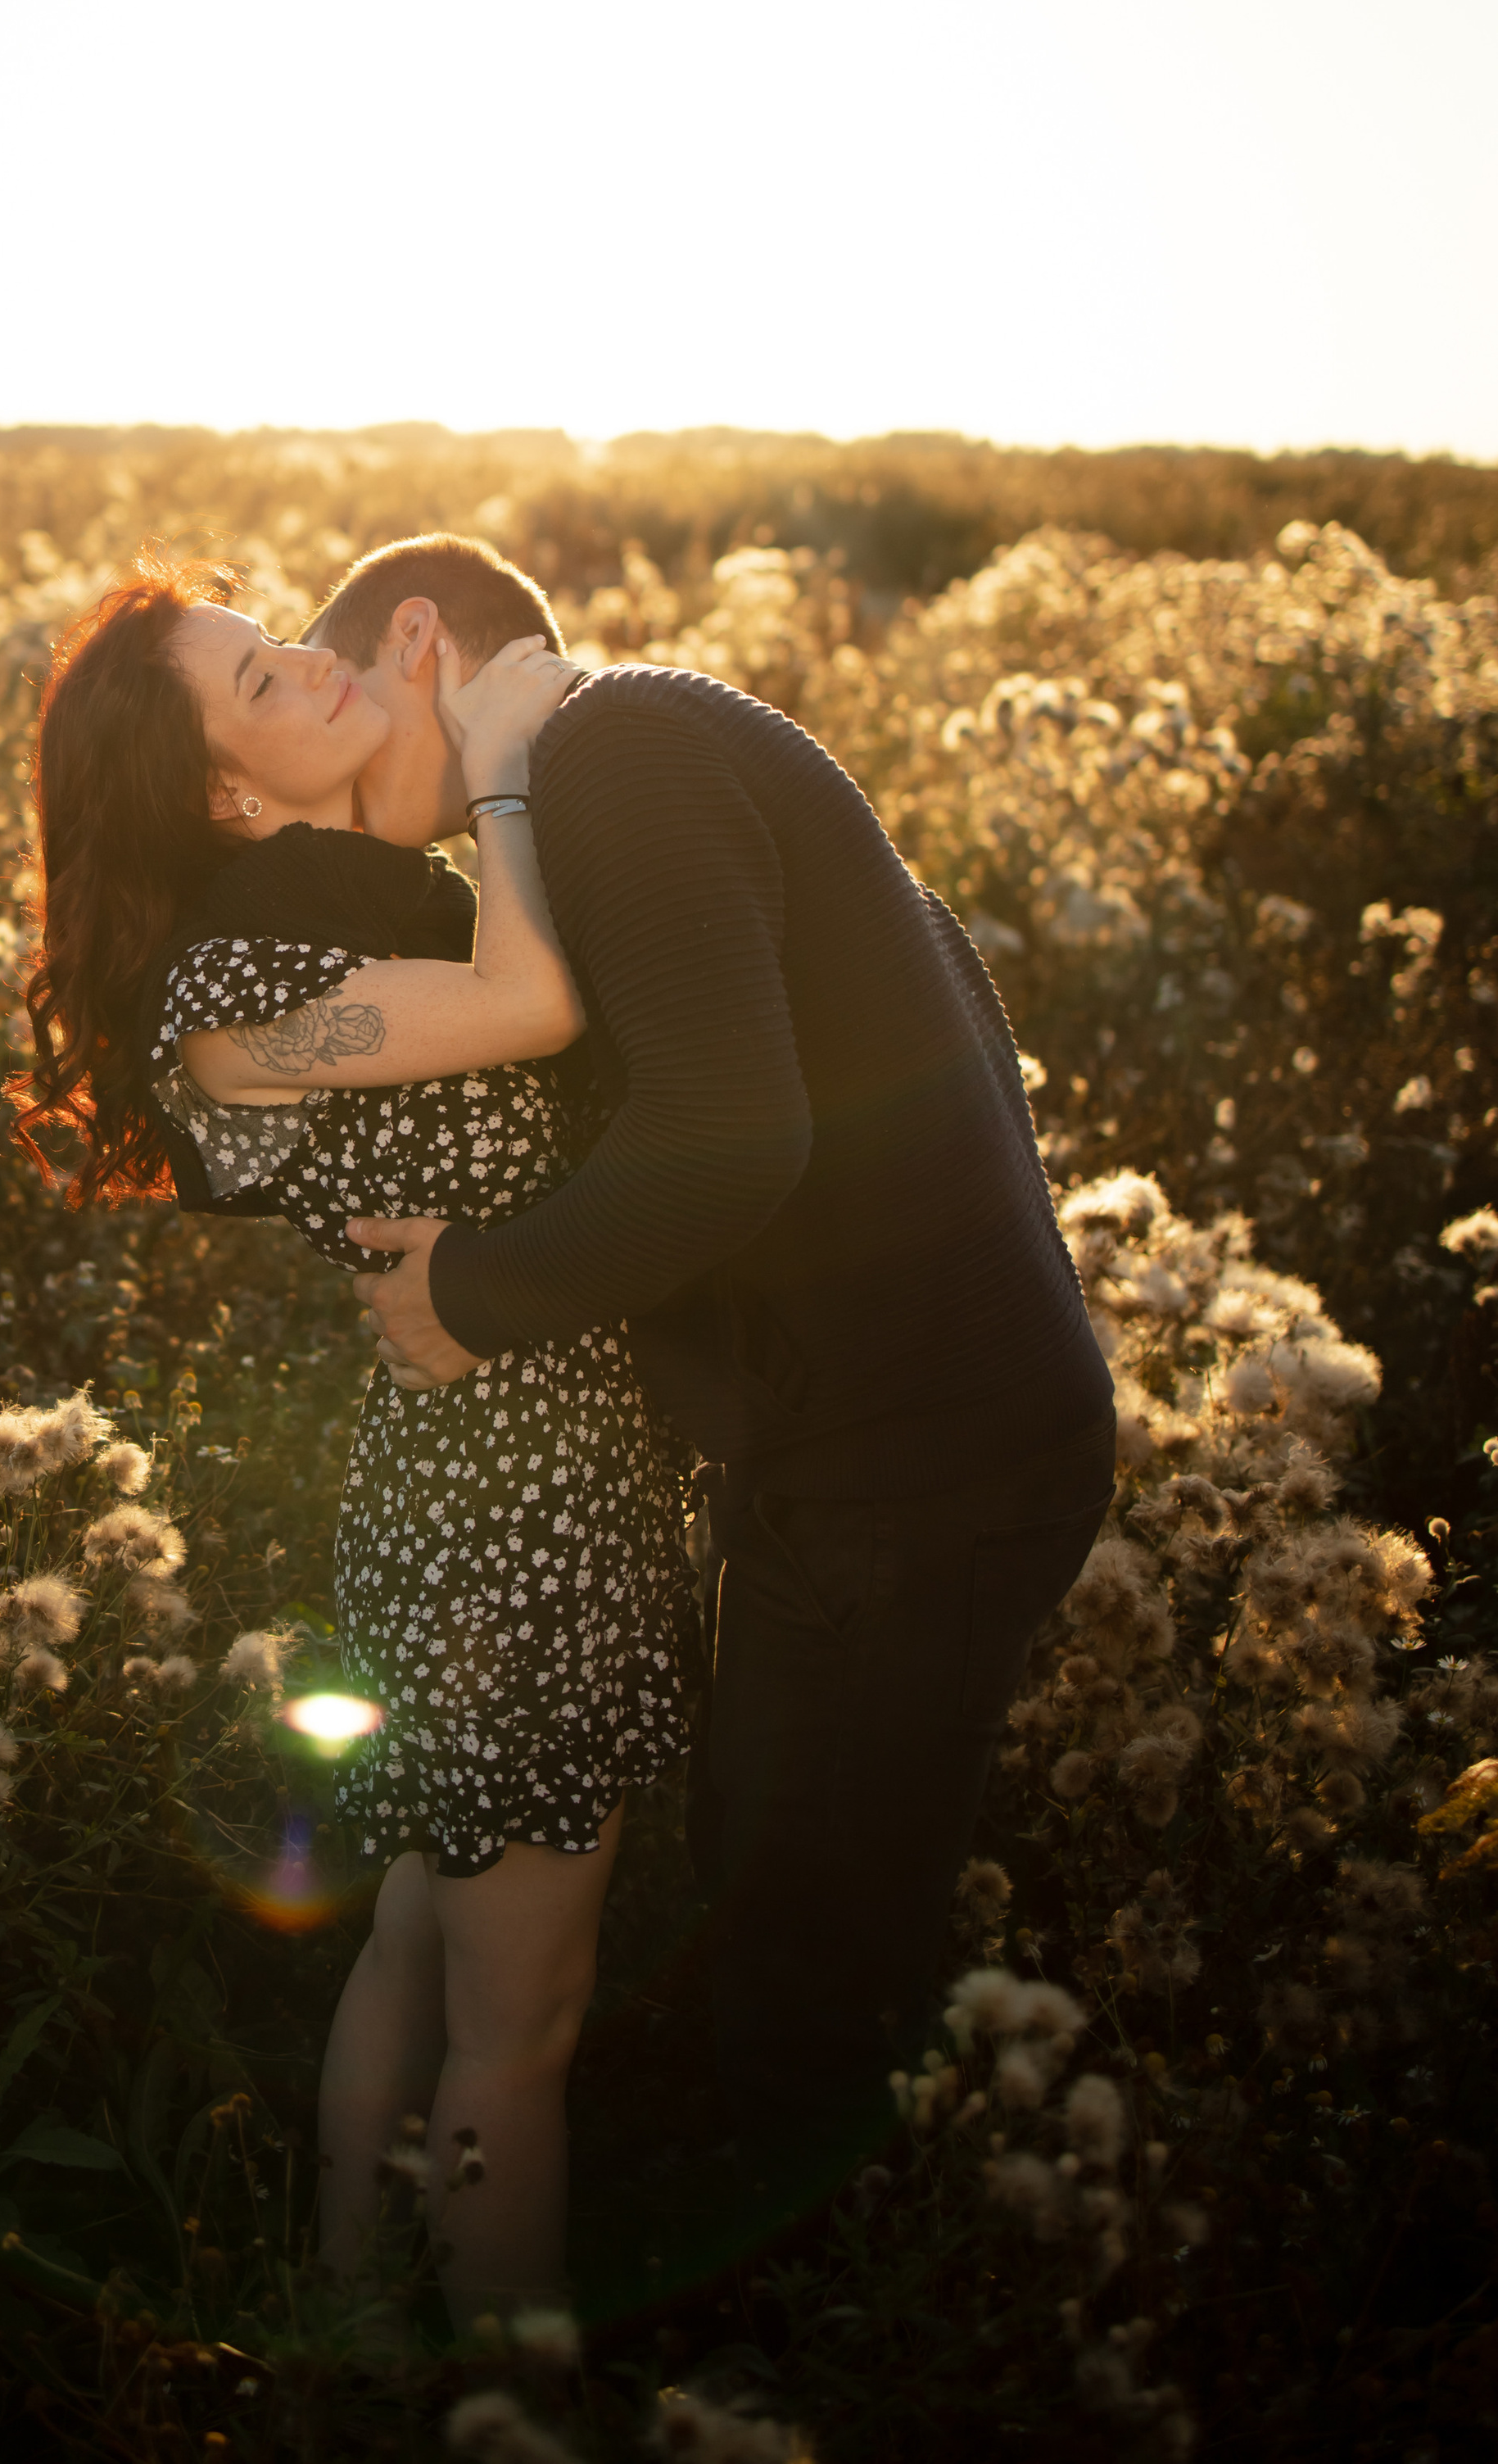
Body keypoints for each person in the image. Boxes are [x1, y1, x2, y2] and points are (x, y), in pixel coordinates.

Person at [310, 531, 1117, 2224]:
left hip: (922, 1467)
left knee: (813, 1941)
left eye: (333, 715)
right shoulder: (621, 757)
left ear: (415, 640)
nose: (319, 788)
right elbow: (930, 967)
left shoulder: (627, 757)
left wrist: (472, 1291)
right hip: (868, 1447)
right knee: (770, 1864)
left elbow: (730, 1135)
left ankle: (833, 2320)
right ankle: (803, 2246)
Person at [8, 550, 692, 2330]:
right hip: (504, 1519)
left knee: (416, 1922)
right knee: (516, 2030)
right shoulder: (237, 1025)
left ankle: (335, 2311)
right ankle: (496, 2402)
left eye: (279, 653)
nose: (311, 674)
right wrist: (509, 750)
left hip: (479, 1483)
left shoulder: (314, 932)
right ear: (228, 794)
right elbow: (533, 1008)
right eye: (260, 690)